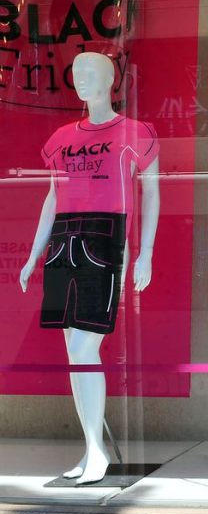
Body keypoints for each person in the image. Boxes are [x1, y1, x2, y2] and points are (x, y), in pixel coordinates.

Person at [19, 52, 160, 484]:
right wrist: (33, 253)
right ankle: (90, 449)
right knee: (73, 354)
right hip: (64, 238)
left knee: (84, 350)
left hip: (105, 237)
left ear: (109, 79)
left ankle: (96, 451)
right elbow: (51, 197)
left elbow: (151, 194)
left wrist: (145, 251)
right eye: (76, 73)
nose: (80, 80)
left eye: (89, 73)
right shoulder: (62, 137)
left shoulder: (135, 133)